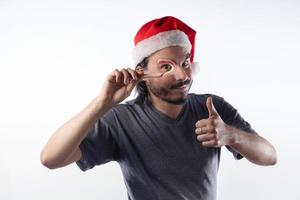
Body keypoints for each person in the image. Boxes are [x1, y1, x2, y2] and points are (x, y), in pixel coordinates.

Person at [40, 16, 277, 200]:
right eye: (166, 67)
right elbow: (50, 158)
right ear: (141, 73)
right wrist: (101, 104)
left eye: (185, 62)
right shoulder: (121, 120)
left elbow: (269, 156)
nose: (182, 75)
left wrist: (230, 135)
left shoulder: (212, 108)